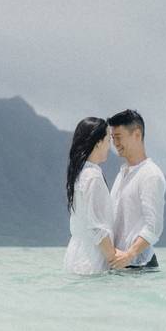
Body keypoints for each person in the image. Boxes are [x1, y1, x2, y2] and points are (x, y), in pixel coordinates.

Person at [63, 117, 126, 275]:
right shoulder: (92, 177)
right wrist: (116, 260)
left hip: (76, 254)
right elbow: (96, 227)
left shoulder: (80, 174)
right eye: (108, 139)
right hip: (91, 260)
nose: (109, 145)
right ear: (98, 142)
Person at [107, 109, 166, 270]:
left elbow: (154, 227)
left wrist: (129, 255)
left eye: (118, 137)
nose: (115, 143)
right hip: (120, 264)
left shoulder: (150, 174)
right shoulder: (123, 172)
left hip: (139, 266)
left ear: (137, 135)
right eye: (112, 138)